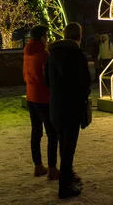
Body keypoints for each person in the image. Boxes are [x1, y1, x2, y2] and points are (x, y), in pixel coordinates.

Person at [46, 22, 91, 199]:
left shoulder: (52, 55)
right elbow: (84, 82)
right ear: (79, 36)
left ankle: (68, 176)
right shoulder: (77, 54)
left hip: (56, 106)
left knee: (63, 144)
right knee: (69, 147)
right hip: (72, 106)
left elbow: (47, 81)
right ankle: (65, 186)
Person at [23, 25, 59, 180]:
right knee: (52, 133)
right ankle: (52, 168)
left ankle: (38, 165)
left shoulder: (27, 52)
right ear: (43, 37)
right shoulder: (44, 55)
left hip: (31, 96)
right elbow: (50, 78)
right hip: (44, 97)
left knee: (36, 131)